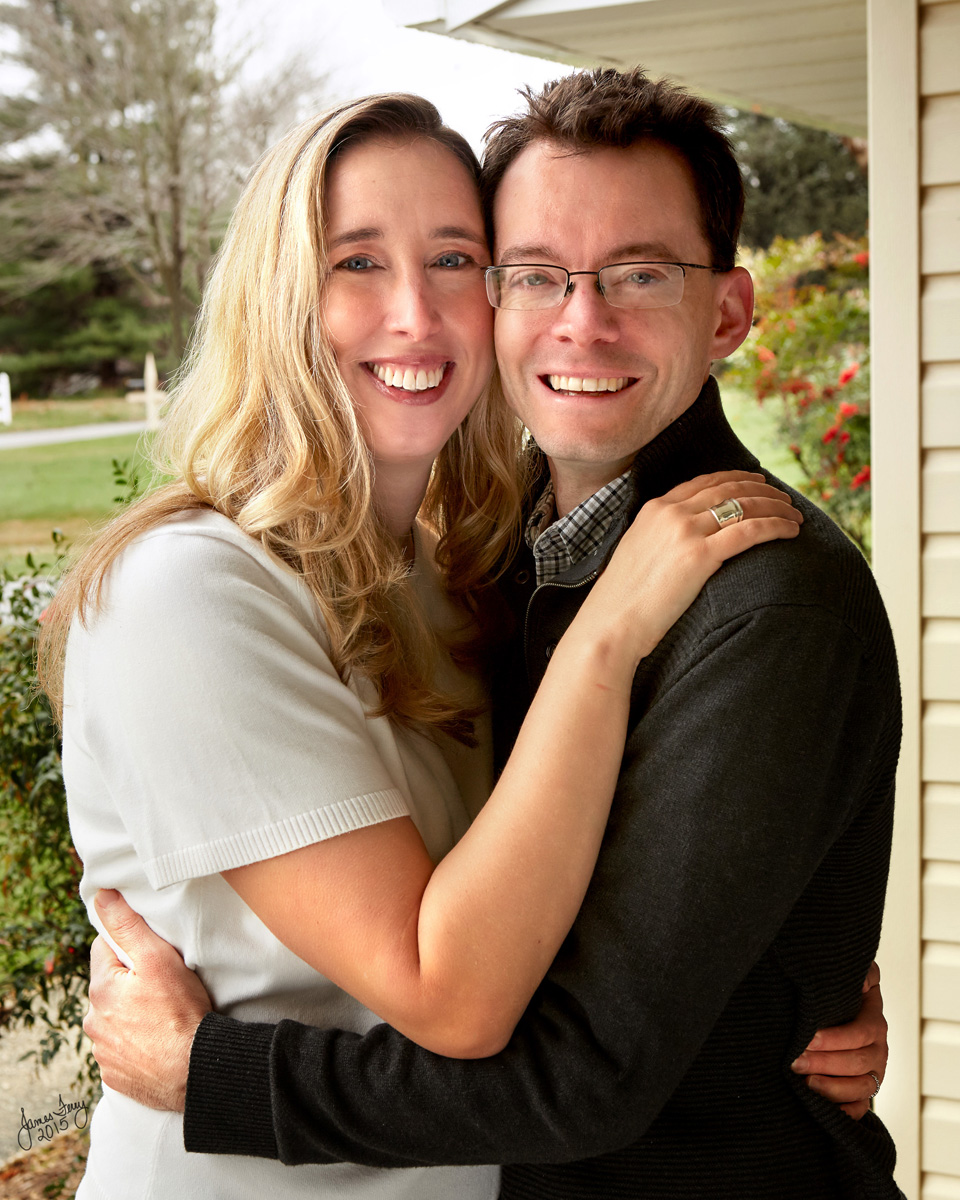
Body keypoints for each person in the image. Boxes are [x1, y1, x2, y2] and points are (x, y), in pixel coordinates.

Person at [80, 72, 899, 1198]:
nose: (583, 317)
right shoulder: (494, 560)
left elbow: (585, 1073)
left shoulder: (763, 602)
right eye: (535, 274)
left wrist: (208, 1073)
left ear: (727, 314)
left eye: (642, 273)